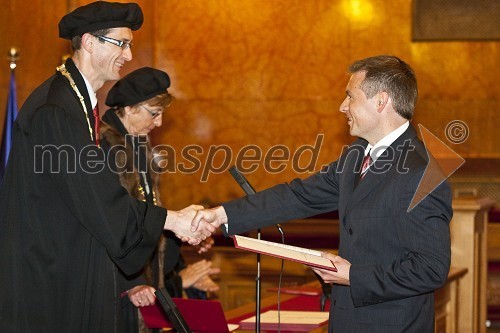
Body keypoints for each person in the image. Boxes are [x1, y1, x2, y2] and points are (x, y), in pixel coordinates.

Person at [192, 55, 452, 333]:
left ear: (381, 101)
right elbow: (299, 196)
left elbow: (430, 268)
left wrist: (352, 275)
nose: (342, 107)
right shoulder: (356, 154)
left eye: (350, 96)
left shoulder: (421, 171)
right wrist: (220, 215)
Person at [0, 2, 214, 332]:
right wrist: (172, 220)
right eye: (122, 44)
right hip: (52, 284)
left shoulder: (77, 102)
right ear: (88, 41)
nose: (129, 56)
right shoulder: (57, 109)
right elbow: (99, 200)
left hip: (71, 271)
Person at [100, 67, 220, 333]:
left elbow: (146, 219)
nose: (159, 123)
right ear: (129, 108)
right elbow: (105, 225)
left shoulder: (138, 146)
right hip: (115, 289)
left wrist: (186, 234)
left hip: (141, 283)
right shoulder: (104, 147)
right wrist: (129, 282)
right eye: (154, 113)